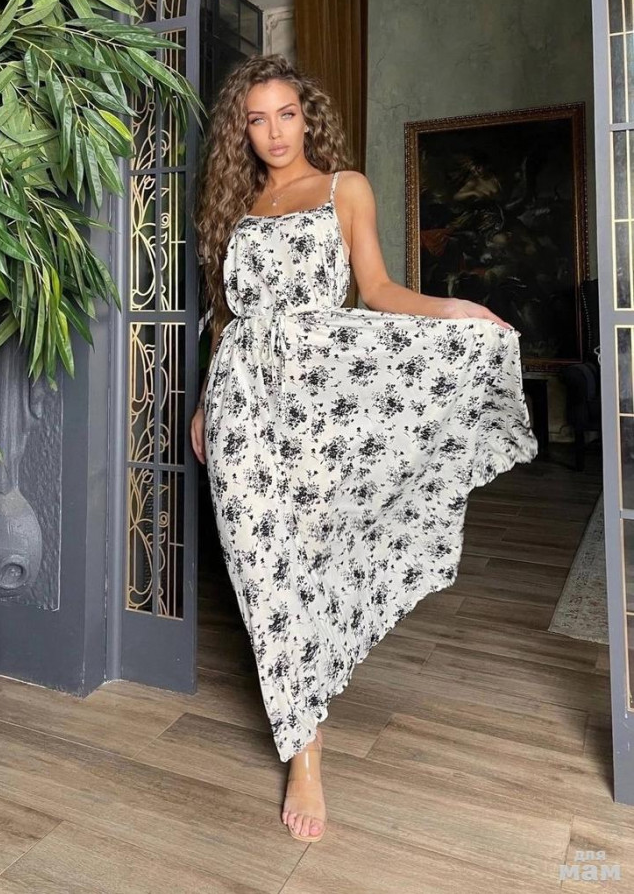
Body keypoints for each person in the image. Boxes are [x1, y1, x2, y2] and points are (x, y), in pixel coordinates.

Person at [189, 53, 538, 844]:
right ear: (242, 132)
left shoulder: (345, 188)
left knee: (309, 561)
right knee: (259, 570)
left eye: (286, 114)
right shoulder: (234, 204)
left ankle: (306, 724)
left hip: (319, 409)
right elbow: (226, 317)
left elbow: (377, 292)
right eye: (257, 119)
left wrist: (454, 310)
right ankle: (304, 748)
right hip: (242, 405)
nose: (275, 133)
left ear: (307, 115)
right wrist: (207, 401)